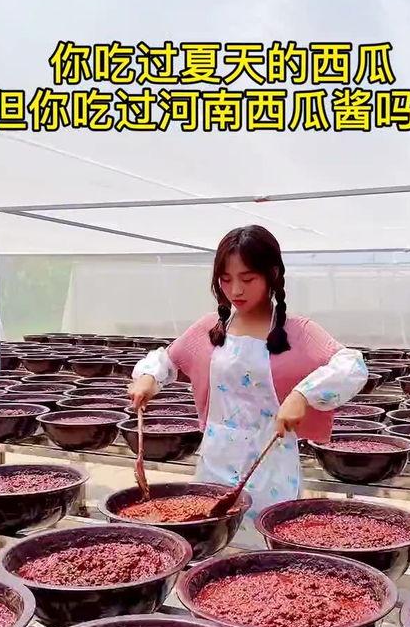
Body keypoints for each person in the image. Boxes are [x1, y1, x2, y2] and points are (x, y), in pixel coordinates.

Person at [128, 225, 367, 533]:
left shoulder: (299, 332)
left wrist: (302, 395)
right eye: (226, 279)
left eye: (247, 278)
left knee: (267, 541)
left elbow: (352, 365)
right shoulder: (209, 329)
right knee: (211, 536)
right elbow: (166, 360)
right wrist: (148, 377)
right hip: (216, 458)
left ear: (273, 274)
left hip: (271, 463)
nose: (236, 290)